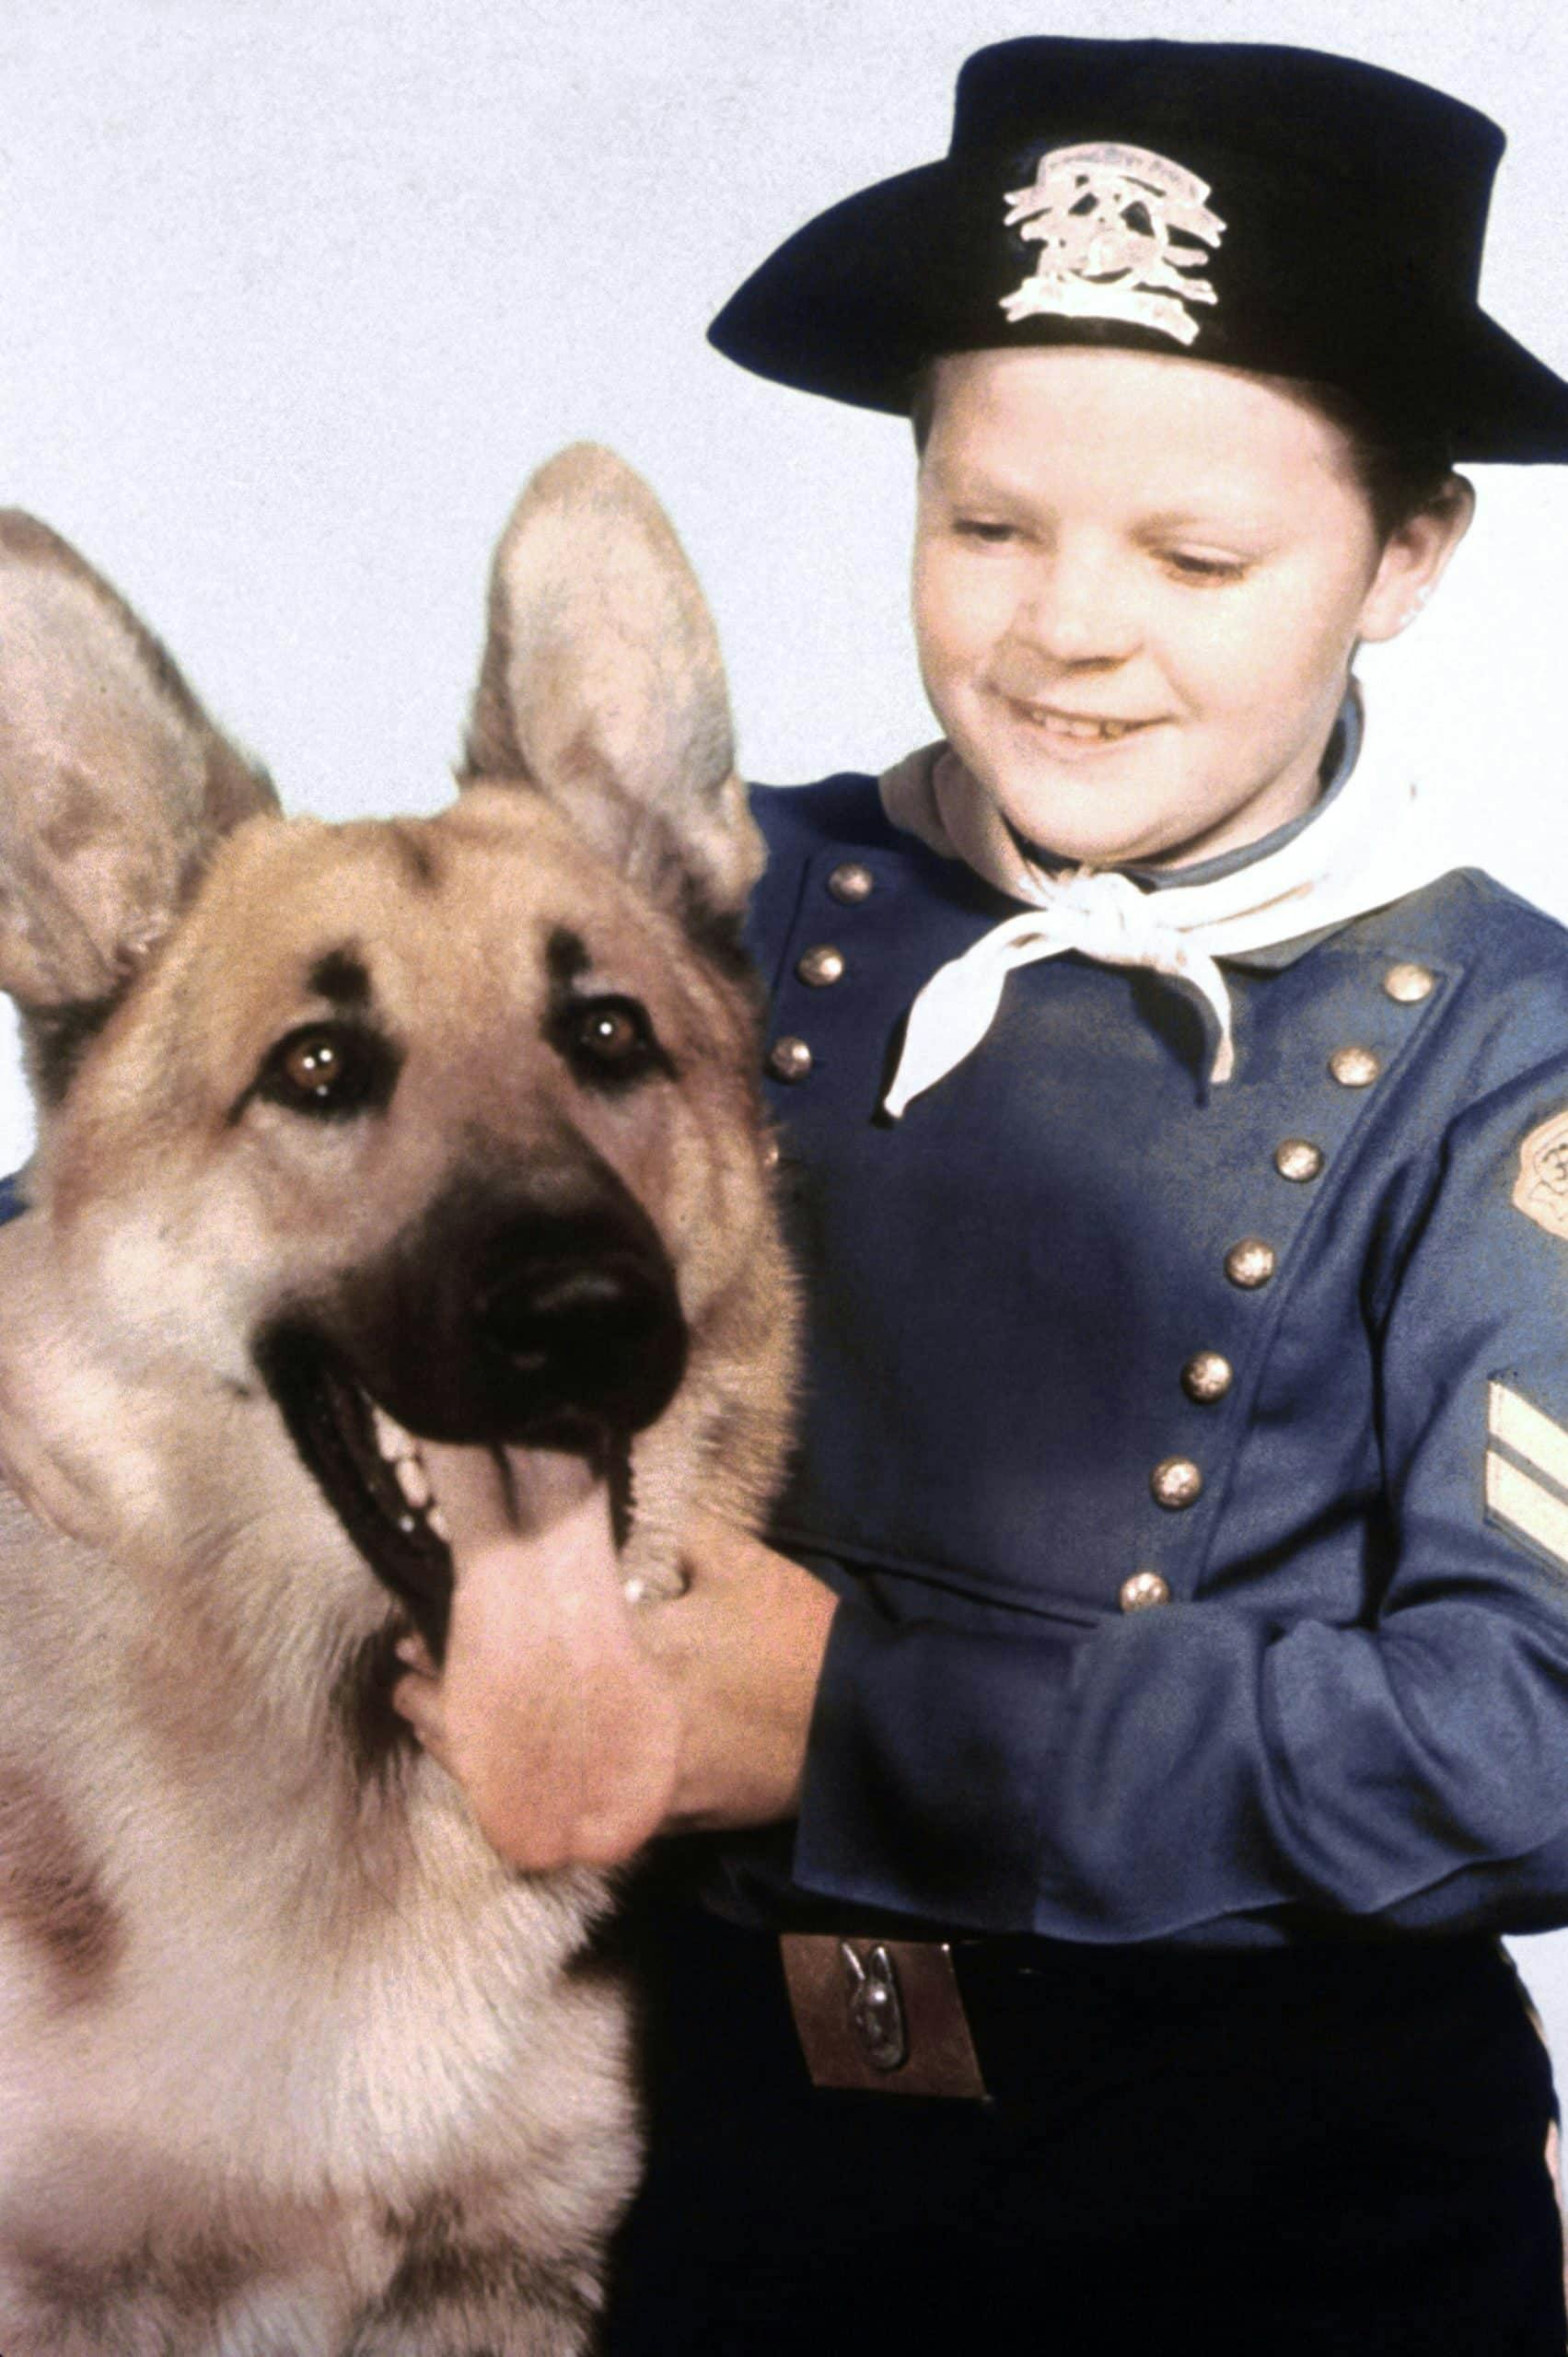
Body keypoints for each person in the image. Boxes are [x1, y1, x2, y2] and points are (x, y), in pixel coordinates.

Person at [392, 36, 1568, 2352]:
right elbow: (175, 1238)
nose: (1067, 627)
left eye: (1198, 556)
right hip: (700, 2144)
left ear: (1411, 553)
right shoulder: (692, 908)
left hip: (1289, 2214)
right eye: (989, 525)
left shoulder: (1512, 1050)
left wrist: (856, 1718)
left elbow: (1528, 1731)